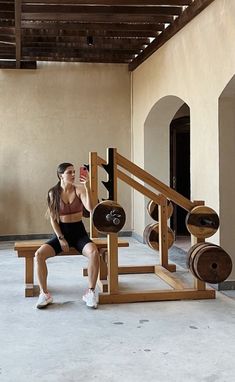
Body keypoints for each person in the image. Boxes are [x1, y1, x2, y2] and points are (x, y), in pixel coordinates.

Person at [35, 162, 100, 309]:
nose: (73, 175)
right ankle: (44, 294)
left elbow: (90, 209)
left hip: (79, 233)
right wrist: (61, 238)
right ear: (61, 175)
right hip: (62, 233)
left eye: (73, 172)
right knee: (39, 254)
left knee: (94, 252)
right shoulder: (54, 193)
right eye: (69, 172)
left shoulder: (80, 189)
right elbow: (53, 219)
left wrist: (88, 187)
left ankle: (90, 292)